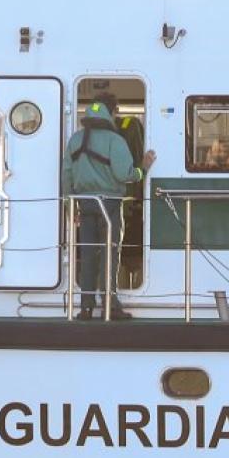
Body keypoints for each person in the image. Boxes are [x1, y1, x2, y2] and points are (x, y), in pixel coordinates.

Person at [63, 99, 145, 320]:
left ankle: (86, 307)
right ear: (111, 114)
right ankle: (110, 304)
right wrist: (142, 169)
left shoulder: (75, 140)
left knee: (88, 255)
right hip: (109, 204)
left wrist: (70, 206)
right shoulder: (115, 140)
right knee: (110, 253)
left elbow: (67, 176)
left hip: (85, 204)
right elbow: (124, 174)